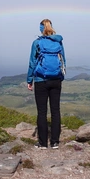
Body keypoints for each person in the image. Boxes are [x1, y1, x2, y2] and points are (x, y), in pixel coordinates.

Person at [27, 19, 66, 149]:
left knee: (42, 112)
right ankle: (55, 142)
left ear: (40, 28)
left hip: (40, 80)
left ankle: (43, 143)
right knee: (55, 111)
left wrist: (29, 80)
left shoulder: (37, 43)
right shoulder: (58, 41)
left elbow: (32, 63)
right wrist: (60, 77)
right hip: (56, 80)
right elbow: (63, 60)